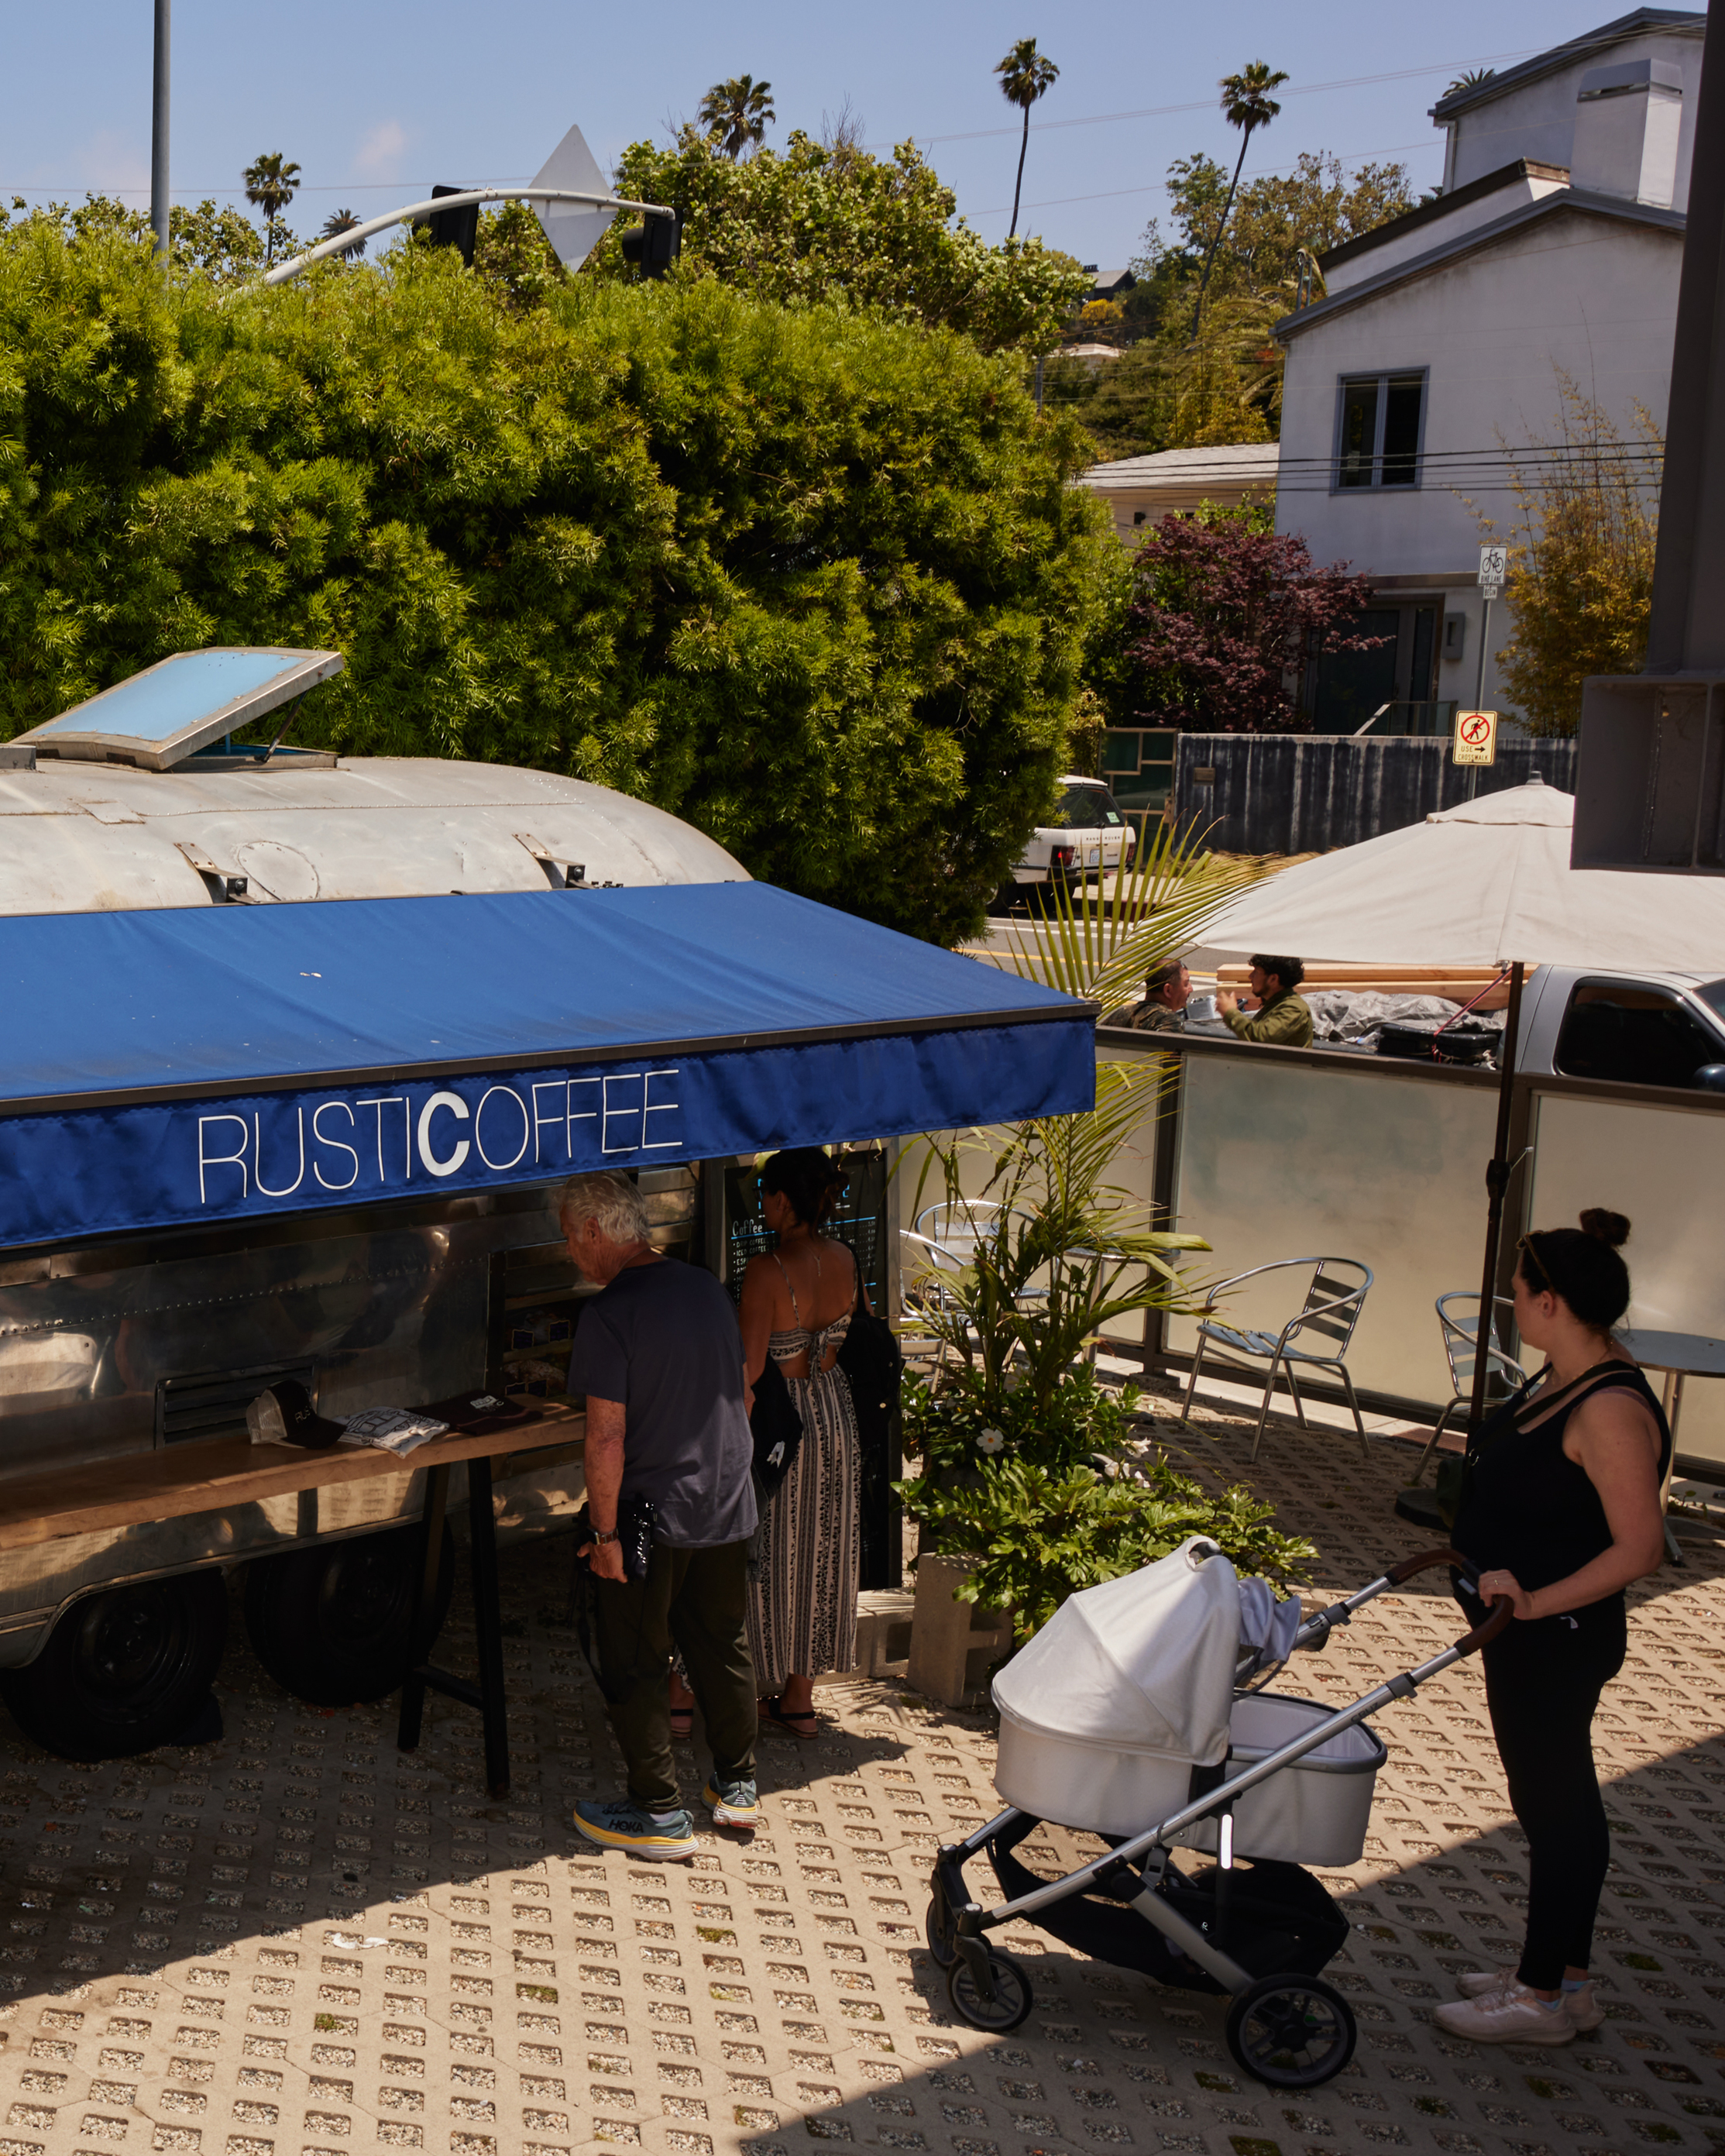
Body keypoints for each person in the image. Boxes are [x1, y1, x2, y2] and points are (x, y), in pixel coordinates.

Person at [1435, 1209, 1670, 2046]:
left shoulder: (1607, 1406)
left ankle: (1539, 1997)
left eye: (1520, 1288)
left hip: (1556, 1634)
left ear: (1550, 1301)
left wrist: (1533, 1599)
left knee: (1558, 1809)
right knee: (1553, 1803)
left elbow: (1640, 1545)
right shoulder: (1564, 1374)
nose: (1510, 1298)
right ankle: (1564, 1981)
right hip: (1524, 1634)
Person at [562, 1170, 760, 1859]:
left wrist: (605, 1533)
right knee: (720, 1641)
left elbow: (606, 1437)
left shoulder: (608, 1314)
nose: (568, 1253)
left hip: (654, 1512)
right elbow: (742, 1395)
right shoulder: (705, 1286)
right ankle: (736, 1787)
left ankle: (657, 1813)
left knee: (636, 1658)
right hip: (728, 1500)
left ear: (594, 1230)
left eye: (567, 1236)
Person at [741, 1147, 868, 1738]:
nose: (760, 1203)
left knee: (756, 1550)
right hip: (834, 1414)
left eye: (765, 1191)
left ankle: (685, 1692)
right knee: (822, 1551)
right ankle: (798, 1698)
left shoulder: (766, 1270)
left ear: (785, 1199)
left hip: (779, 1421)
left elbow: (746, 1369)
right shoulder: (846, 1257)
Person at [1215, 954, 1313, 1047]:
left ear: (1273, 979)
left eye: (1256, 972)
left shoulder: (1293, 1008)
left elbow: (1261, 1037)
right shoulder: (1275, 1003)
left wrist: (1230, 1012)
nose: (1250, 976)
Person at [1122, 959, 1193, 1033]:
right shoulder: (1170, 1022)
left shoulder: (1120, 1015)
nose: (1191, 989)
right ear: (1168, 990)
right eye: (1186, 984)